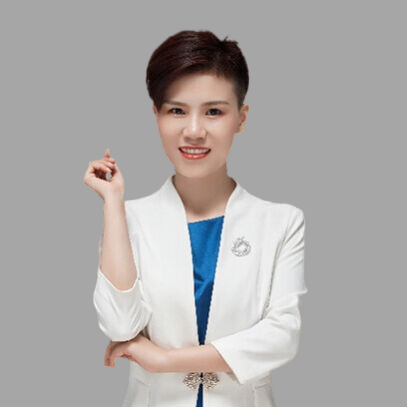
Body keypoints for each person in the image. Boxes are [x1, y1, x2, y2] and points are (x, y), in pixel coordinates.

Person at [84, 29, 307, 407]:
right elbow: (120, 326)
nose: (193, 131)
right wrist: (113, 204)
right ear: (156, 116)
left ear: (241, 118)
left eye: (214, 111)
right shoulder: (128, 218)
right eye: (176, 110)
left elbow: (282, 336)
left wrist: (165, 361)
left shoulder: (281, 223)